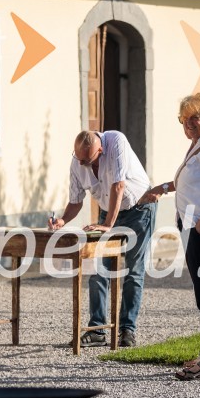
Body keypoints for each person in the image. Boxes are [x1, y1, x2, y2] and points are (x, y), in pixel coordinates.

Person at [139, 93, 200, 379]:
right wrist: (164, 187)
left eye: (196, 117)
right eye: (184, 118)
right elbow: (194, 183)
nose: (189, 123)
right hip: (198, 227)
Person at [49, 130, 156, 348]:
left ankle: (127, 330)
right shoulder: (77, 162)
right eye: (79, 159)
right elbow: (76, 200)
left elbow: (118, 186)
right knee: (99, 270)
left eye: (87, 161)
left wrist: (108, 224)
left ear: (100, 150)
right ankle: (97, 329)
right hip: (108, 214)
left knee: (133, 270)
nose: (83, 164)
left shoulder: (116, 141)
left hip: (139, 209)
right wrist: (62, 221)